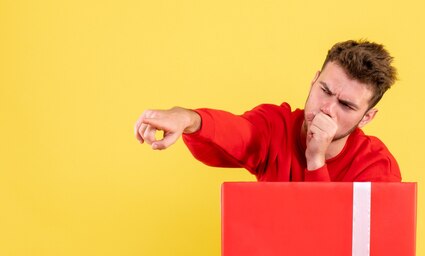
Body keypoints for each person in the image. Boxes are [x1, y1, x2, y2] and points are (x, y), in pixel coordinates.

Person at [134, 40, 401, 181]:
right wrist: (189, 118)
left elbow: (331, 245)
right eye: (325, 90)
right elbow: (239, 133)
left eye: (346, 105)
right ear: (314, 81)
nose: (327, 108)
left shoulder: (376, 166)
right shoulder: (277, 126)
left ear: (366, 117)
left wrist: (316, 160)